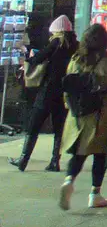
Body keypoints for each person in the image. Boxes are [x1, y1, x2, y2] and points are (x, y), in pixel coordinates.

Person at [57, 23, 107, 211]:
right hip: (101, 114)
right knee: (100, 154)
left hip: (78, 114)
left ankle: (69, 180)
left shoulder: (76, 60)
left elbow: (67, 89)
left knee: (79, 152)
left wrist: (70, 107)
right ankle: (95, 193)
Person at [12, 16, 75, 172]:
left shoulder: (56, 43)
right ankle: (55, 161)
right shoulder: (75, 45)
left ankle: (23, 159)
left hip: (48, 90)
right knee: (59, 127)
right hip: (65, 91)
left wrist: (30, 58)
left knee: (34, 125)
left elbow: (39, 58)